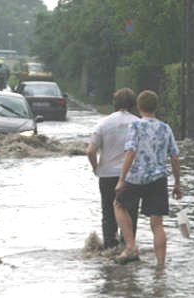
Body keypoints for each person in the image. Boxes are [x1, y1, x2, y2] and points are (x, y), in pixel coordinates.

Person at [113, 90, 183, 266]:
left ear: (138, 107)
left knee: (119, 205)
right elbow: (174, 157)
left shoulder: (136, 126)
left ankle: (130, 246)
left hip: (135, 177)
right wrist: (177, 184)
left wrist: (122, 178)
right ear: (156, 107)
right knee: (157, 225)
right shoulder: (166, 128)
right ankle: (160, 267)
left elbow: (131, 151)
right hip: (158, 179)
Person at [86, 88, 140, 254]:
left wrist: (96, 168)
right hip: (131, 175)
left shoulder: (103, 123)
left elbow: (90, 151)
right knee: (130, 212)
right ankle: (127, 245)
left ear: (114, 103)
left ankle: (110, 247)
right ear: (133, 104)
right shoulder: (139, 123)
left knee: (108, 212)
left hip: (107, 174)